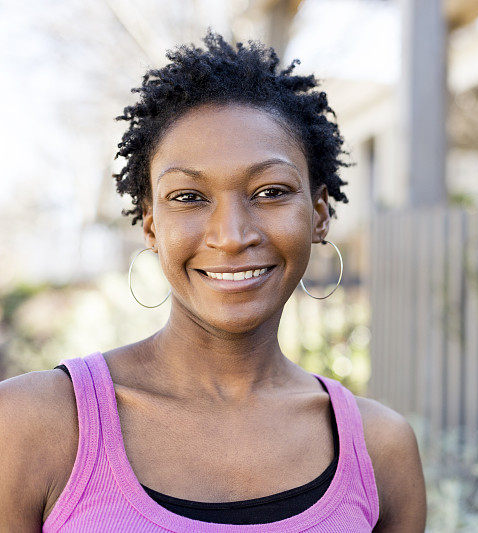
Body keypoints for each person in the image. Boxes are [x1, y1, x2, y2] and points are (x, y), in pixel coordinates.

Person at [0, 32, 426, 532]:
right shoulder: (34, 424)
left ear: (318, 214)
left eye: (269, 191)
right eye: (188, 197)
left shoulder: (381, 450)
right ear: (152, 225)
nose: (232, 236)